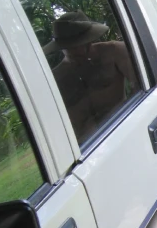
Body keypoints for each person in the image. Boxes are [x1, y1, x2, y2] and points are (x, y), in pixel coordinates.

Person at [44, 10, 139, 142]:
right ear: (61, 47)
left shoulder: (115, 52)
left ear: (90, 40)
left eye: (81, 44)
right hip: (87, 147)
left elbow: (140, 86)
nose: (79, 51)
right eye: (71, 47)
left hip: (122, 128)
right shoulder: (55, 79)